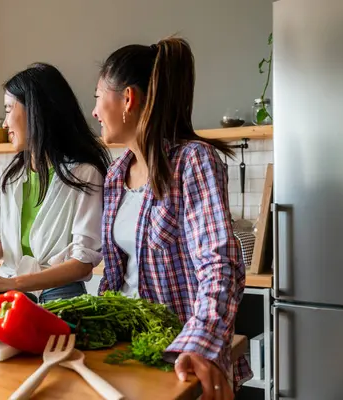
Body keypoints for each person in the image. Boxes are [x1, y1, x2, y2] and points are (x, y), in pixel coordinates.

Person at [93, 38, 252, 399]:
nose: (95, 111)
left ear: (128, 100)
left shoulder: (193, 162)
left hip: (181, 360)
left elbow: (220, 264)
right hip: (127, 353)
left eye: (98, 96)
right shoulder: (116, 174)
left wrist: (198, 344)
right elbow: (116, 280)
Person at [0, 62, 111, 303]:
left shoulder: (85, 174)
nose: (5, 123)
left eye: (9, 109)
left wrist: (11, 283)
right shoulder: (7, 175)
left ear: (36, 111)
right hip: (13, 296)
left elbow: (82, 264)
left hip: (61, 297)